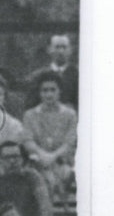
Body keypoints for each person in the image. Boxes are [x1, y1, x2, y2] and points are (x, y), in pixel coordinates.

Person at [22, 71, 77, 200]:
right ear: (39, 93)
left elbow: (69, 143)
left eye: (53, 90)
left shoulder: (70, 115)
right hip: (38, 164)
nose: (49, 94)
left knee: (65, 175)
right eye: (44, 90)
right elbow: (28, 141)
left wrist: (53, 156)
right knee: (43, 179)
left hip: (63, 163)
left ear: (59, 91)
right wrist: (43, 156)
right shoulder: (30, 115)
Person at [25, 34, 78, 109]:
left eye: (64, 47)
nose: (61, 51)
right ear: (49, 49)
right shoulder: (38, 76)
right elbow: (31, 104)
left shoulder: (78, 75)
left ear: (71, 50)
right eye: (57, 47)